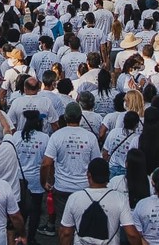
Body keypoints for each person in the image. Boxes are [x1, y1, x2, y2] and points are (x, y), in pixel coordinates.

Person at [41, 102, 102, 233]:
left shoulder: (57, 136)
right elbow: (97, 162)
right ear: (80, 117)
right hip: (84, 187)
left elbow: (46, 163)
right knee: (82, 225)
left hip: (62, 187)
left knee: (65, 226)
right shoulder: (90, 137)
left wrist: (44, 182)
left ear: (65, 117)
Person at [59, 157, 137, 245]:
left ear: (88, 175)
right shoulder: (120, 198)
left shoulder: (74, 198)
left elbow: (66, 233)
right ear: (108, 175)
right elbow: (131, 234)